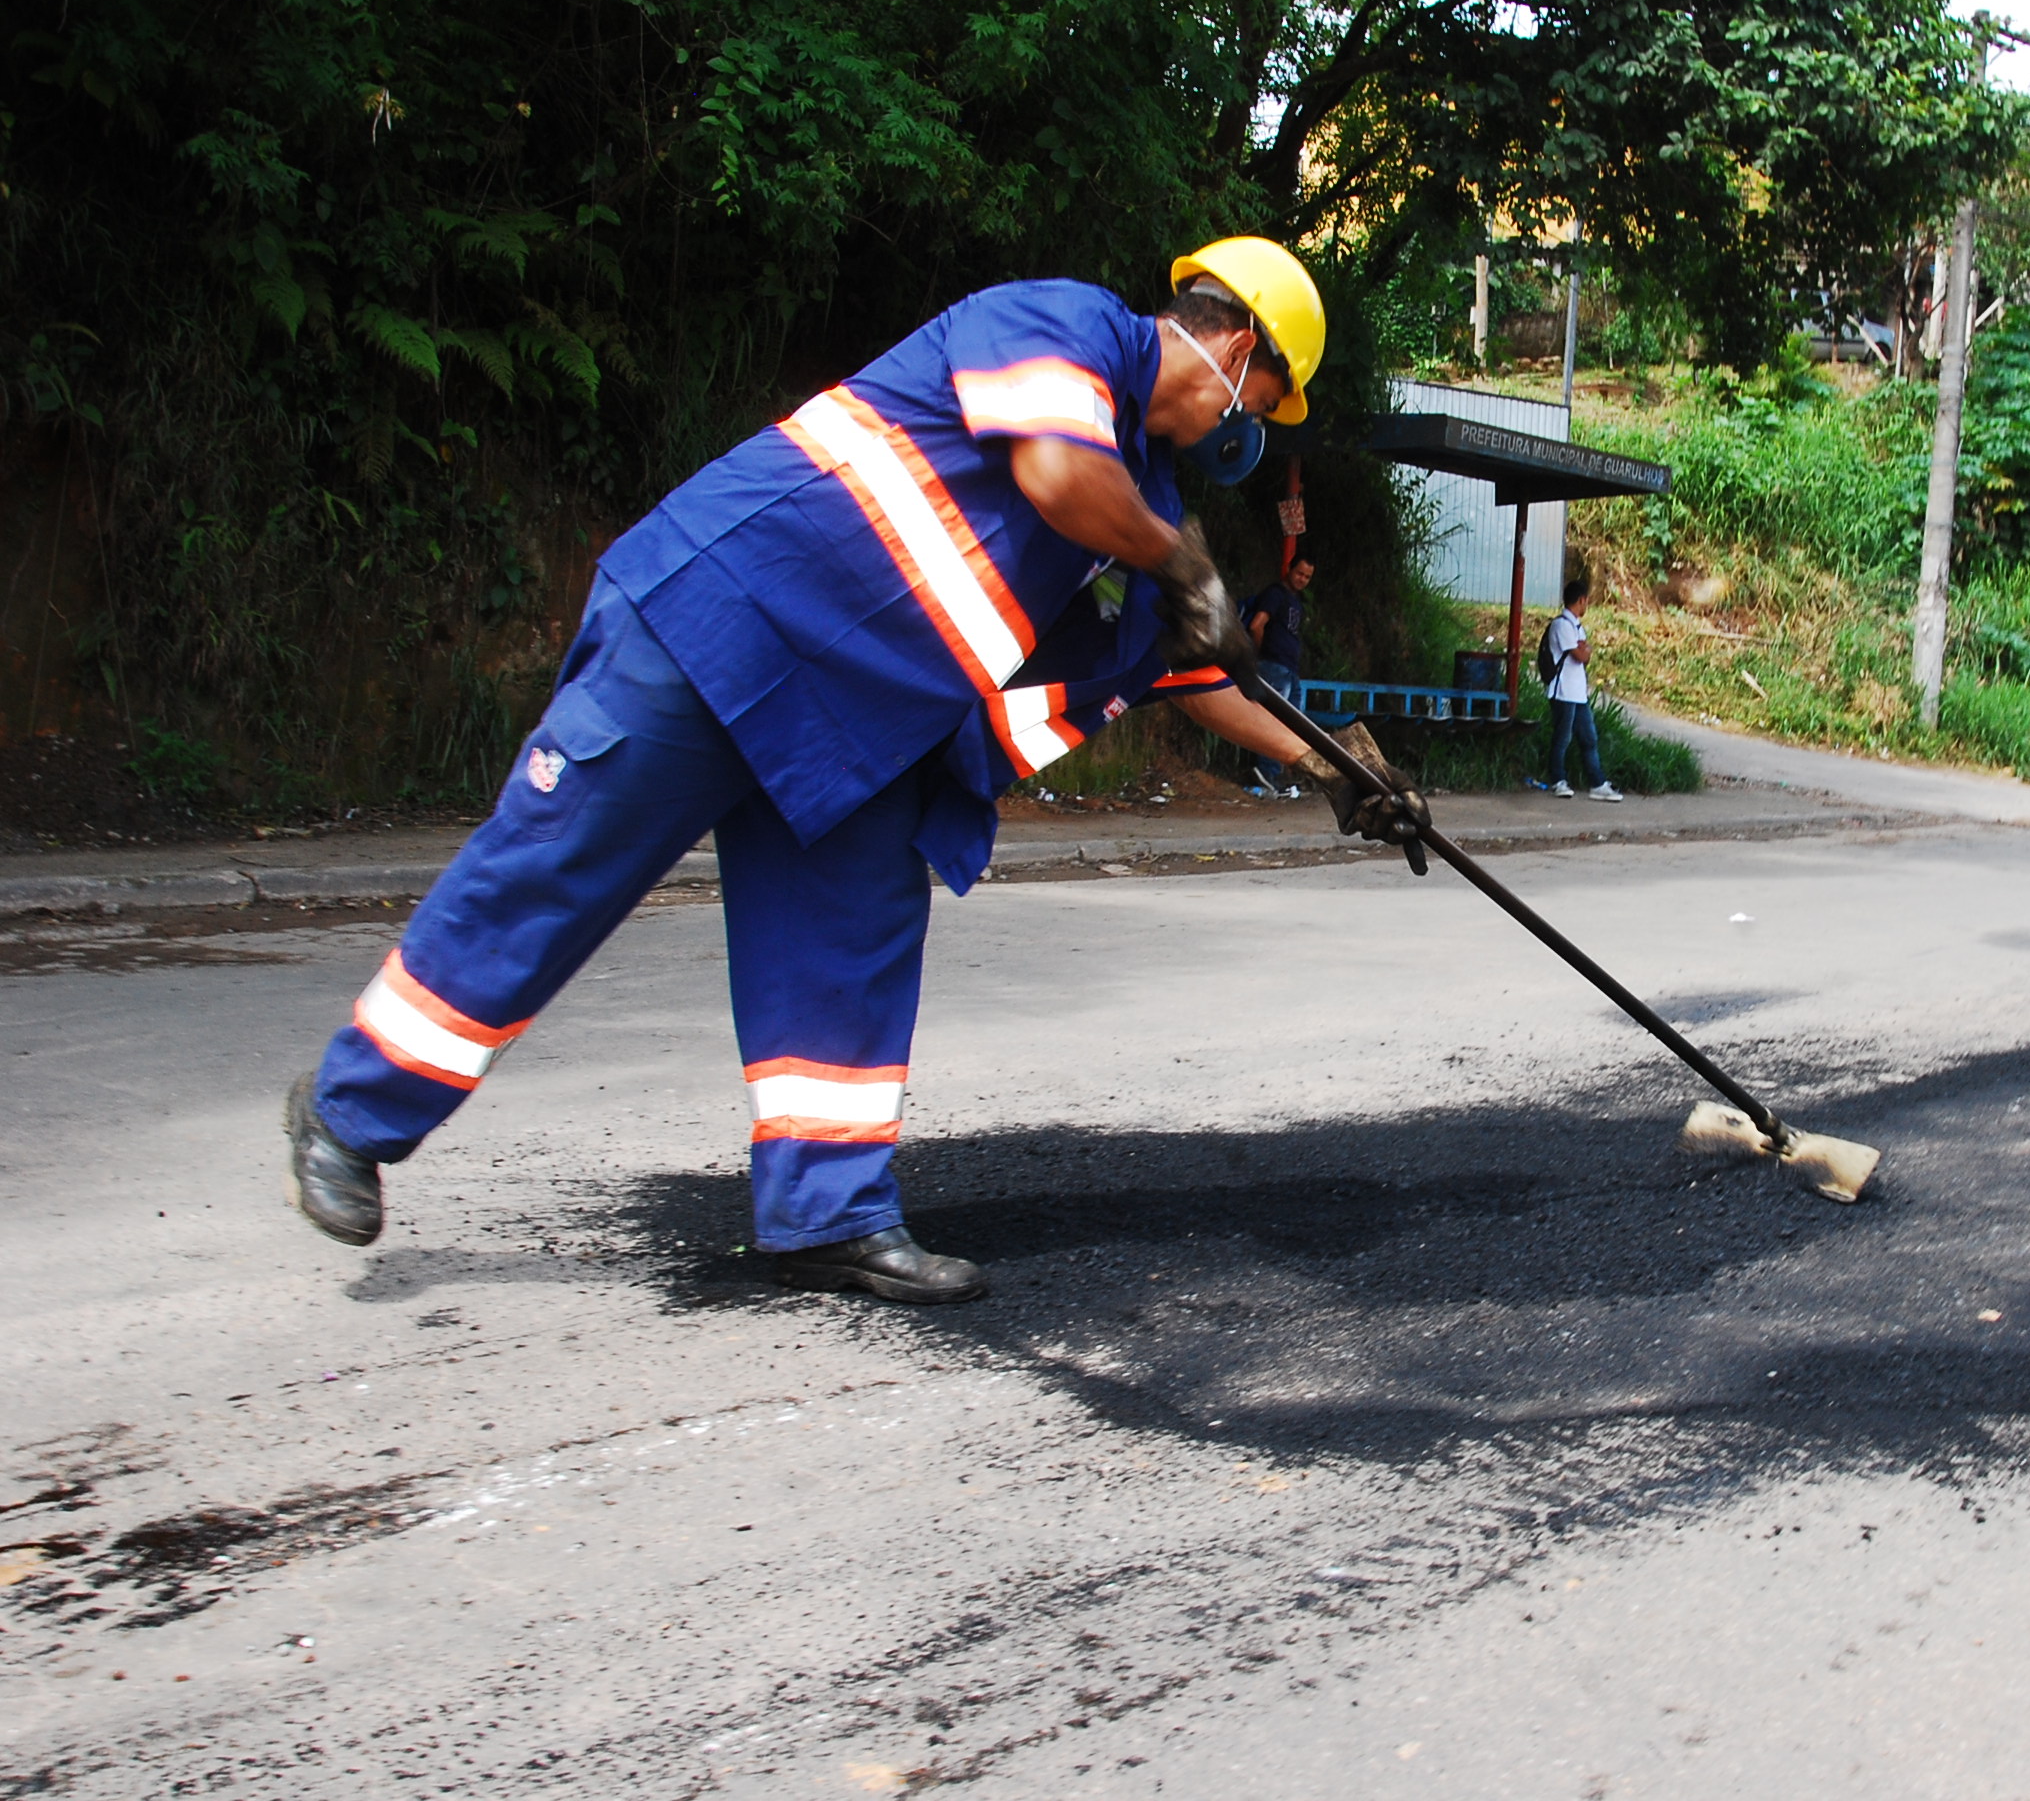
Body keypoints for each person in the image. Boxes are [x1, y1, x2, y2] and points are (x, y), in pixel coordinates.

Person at [281, 237, 1429, 1305]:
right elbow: (1053, 474)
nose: (1258, 431)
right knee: (554, 867)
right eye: (1273, 405)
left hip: (856, 727)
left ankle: (827, 1211)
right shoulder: (1064, 325)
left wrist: (1333, 766)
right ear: (1240, 354)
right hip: (721, 621)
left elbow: (1176, 670)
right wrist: (1180, 566)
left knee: (853, 936)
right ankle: (349, 1112)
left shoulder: (1150, 497)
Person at [1538, 578, 1622, 802]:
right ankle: (1558, 780)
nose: (1587, 606)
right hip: (1562, 692)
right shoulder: (1562, 626)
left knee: (1589, 738)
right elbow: (1581, 655)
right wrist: (1584, 649)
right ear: (1581, 600)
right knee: (1562, 738)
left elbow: (1584, 657)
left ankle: (1597, 783)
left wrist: (1584, 650)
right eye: (1586, 601)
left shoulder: (1577, 627)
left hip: (1578, 694)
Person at [1241, 553, 1313, 796]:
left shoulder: (1295, 601)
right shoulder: (1275, 594)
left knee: (1293, 723)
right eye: (1299, 573)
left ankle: (1278, 772)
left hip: (1290, 669)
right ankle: (1266, 772)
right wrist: (1258, 655)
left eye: (1307, 577)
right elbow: (1256, 625)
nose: (1302, 579)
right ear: (1289, 570)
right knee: (1274, 719)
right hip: (1273, 664)